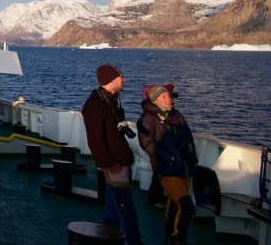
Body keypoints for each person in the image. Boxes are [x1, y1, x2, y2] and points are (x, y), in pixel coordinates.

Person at [82, 64, 142, 245]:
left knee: (113, 208)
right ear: (110, 81)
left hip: (120, 161)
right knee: (126, 211)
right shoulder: (95, 105)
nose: (124, 79)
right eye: (121, 77)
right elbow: (95, 140)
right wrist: (109, 164)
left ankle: (108, 238)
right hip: (115, 165)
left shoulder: (111, 100)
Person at [138, 85, 198, 245]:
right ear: (154, 99)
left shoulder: (177, 116)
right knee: (187, 206)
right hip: (167, 169)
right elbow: (149, 145)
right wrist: (170, 158)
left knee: (174, 204)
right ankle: (179, 239)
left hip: (184, 168)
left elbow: (188, 139)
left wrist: (192, 157)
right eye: (164, 96)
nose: (169, 99)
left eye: (169, 96)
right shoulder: (147, 119)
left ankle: (170, 236)